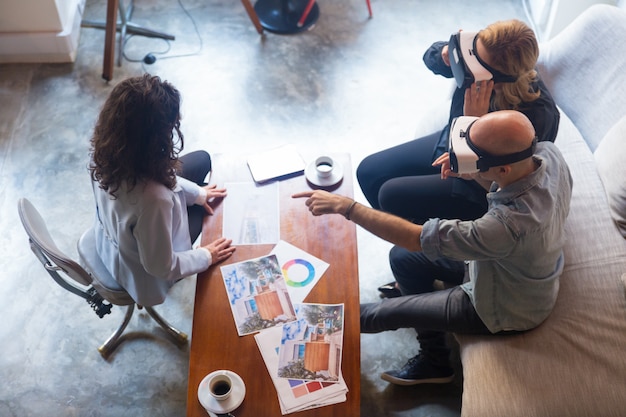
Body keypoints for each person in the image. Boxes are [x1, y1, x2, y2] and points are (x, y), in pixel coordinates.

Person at [293, 110, 572, 385]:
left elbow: (417, 237)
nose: (464, 157)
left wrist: (348, 208)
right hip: (508, 265)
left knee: (377, 314)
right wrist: (474, 174)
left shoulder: (505, 227)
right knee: (402, 259)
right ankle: (435, 357)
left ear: (502, 169)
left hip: (503, 307)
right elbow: (507, 186)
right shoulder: (547, 154)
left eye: (474, 156)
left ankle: (300, 328)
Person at [356, 20, 559, 297]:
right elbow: (431, 58)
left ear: (496, 79)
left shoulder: (535, 119)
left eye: (474, 64)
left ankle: (431, 257)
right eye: (471, 52)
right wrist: (446, 53)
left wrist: (471, 125)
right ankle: (417, 246)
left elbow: (505, 183)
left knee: (391, 195)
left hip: (476, 179)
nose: (468, 64)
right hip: (449, 141)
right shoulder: (485, 54)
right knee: (369, 171)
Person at [88, 74, 236, 307]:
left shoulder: (104, 151)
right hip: (144, 271)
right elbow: (160, 266)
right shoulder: (154, 201)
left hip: (115, 233)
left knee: (201, 160)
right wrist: (206, 256)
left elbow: (163, 178)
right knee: (212, 216)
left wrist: (198, 194)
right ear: (154, 139)